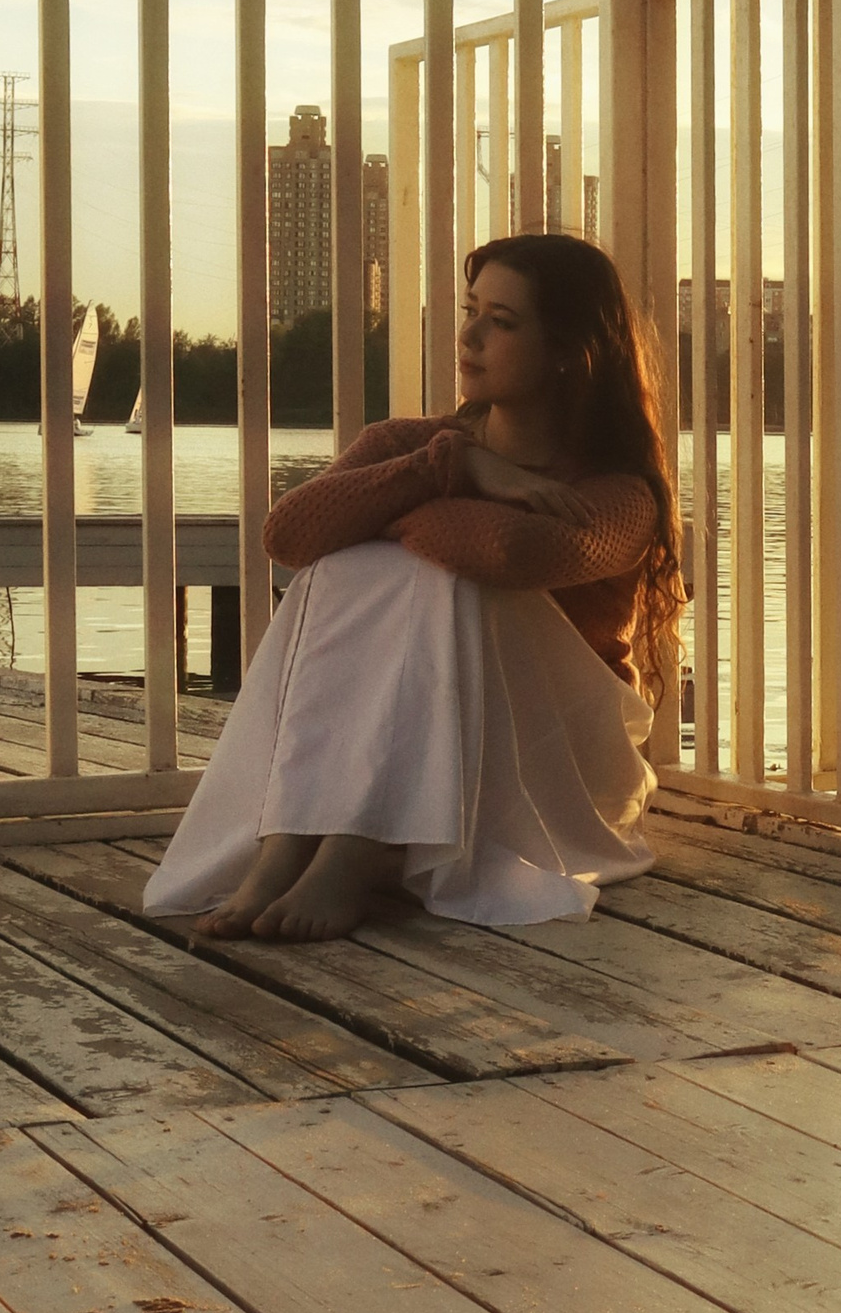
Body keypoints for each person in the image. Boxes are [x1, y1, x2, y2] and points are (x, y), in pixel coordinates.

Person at [145, 233, 682, 944]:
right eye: (470, 310)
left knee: (431, 572)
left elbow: (512, 551)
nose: (470, 334)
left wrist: (396, 502)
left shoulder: (616, 491)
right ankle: (292, 840)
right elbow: (290, 536)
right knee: (343, 564)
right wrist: (455, 468)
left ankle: (357, 847)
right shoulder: (418, 446)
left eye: (503, 321)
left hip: (560, 770)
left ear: (568, 350)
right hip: (448, 746)